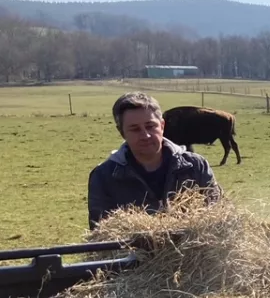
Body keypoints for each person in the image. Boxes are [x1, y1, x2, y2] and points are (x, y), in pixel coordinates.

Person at [88, 92, 220, 229]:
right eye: (135, 129)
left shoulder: (196, 166)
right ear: (122, 132)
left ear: (162, 126)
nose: (145, 135)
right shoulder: (104, 176)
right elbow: (101, 233)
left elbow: (219, 216)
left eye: (150, 126)